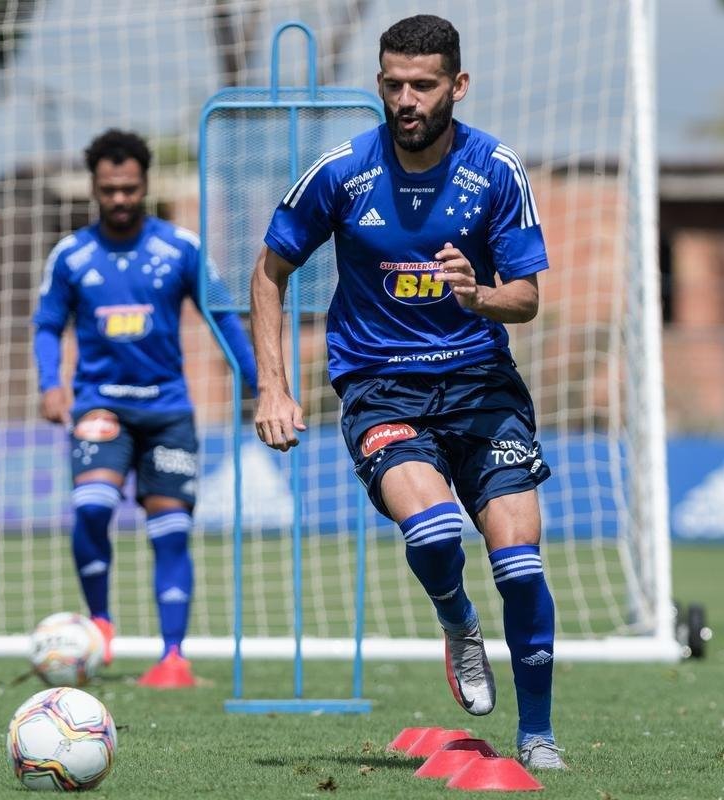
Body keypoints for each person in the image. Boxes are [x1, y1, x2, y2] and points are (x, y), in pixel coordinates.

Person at [250, 15, 566, 769]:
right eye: (393, 84)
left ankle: (537, 736)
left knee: (520, 563)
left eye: (423, 85)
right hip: (382, 387)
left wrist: (478, 295)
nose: (406, 100)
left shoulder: (496, 169)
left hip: (481, 387)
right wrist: (273, 388)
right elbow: (269, 271)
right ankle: (457, 620)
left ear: (458, 86)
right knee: (432, 533)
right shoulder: (340, 171)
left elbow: (526, 298)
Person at [33, 129, 258, 689]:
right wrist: (50, 384)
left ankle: (173, 656)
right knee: (91, 507)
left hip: (167, 411)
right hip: (99, 407)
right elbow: (47, 325)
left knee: (171, 532)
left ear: (145, 185)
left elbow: (222, 317)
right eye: (109, 189)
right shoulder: (71, 255)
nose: (120, 199)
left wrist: (261, 384)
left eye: (129, 189)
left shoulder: (180, 248)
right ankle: (100, 624)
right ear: (94, 188)